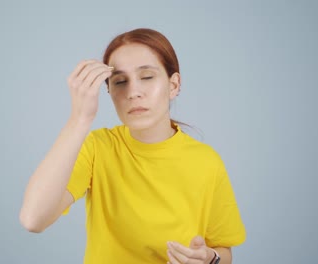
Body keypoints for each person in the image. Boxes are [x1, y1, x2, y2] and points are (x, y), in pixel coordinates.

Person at [19, 28, 246, 264]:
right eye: (120, 81)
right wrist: (79, 118)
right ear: (109, 92)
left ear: (174, 85)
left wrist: (211, 258)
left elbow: (223, 250)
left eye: (147, 77)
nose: (133, 92)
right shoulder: (98, 148)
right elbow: (33, 219)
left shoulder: (207, 161)